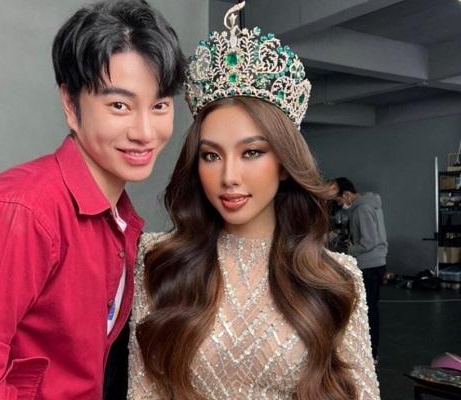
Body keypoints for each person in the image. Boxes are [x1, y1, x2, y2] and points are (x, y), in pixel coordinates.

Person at [0, 1, 186, 398]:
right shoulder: (16, 216)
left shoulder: (119, 222)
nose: (145, 132)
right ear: (70, 104)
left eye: (159, 106)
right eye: (119, 105)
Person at [126, 2, 380, 399]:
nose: (229, 176)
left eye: (252, 152)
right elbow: (143, 392)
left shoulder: (336, 276)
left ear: (284, 163)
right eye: (211, 155)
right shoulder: (160, 261)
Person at [335, 176, 388, 364]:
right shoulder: (369, 204)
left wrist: (350, 249)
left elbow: (368, 241)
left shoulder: (361, 210)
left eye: (339, 200)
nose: (340, 205)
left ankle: (372, 353)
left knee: (369, 310)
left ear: (346, 195)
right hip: (376, 263)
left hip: (369, 265)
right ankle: (371, 351)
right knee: (369, 308)